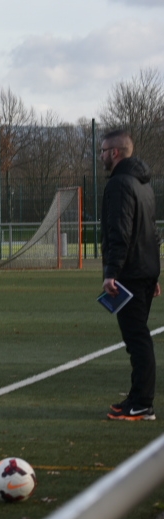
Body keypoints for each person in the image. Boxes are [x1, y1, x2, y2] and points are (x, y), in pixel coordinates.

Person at [101, 130, 161, 421]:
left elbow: (120, 233)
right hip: (145, 271)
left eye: (103, 151)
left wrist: (111, 273)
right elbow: (152, 232)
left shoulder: (119, 185)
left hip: (130, 274)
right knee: (137, 337)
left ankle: (142, 404)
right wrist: (154, 274)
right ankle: (137, 398)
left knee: (137, 339)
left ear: (115, 153)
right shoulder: (143, 185)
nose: (100, 156)